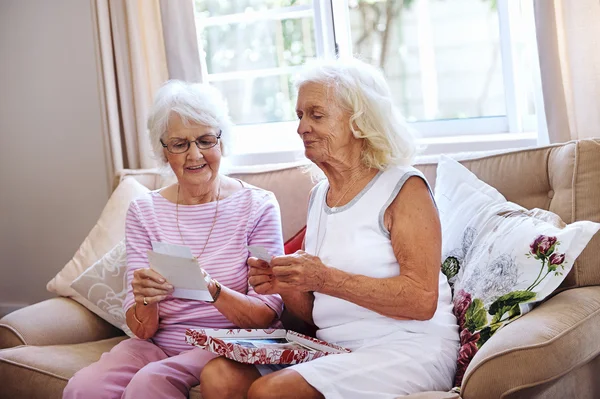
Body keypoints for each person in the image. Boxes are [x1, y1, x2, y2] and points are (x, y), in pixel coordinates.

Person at [199, 58, 460, 399]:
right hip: (335, 349)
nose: (301, 127)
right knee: (219, 375)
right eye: (300, 116)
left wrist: (323, 278)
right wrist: (287, 286)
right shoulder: (319, 196)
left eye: (316, 115)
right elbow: (320, 312)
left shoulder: (404, 187)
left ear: (358, 122)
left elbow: (422, 300)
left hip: (407, 348)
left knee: (271, 392)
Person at [63, 81, 284, 399]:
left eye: (206, 140)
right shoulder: (144, 210)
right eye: (180, 144)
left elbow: (268, 314)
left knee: (150, 382)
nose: (195, 154)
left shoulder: (258, 205)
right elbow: (142, 329)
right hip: (158, 343)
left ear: (222, 141)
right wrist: (144, 299)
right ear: (164, 151)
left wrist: (212, 289)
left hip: (229, 341)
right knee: (84, 388)